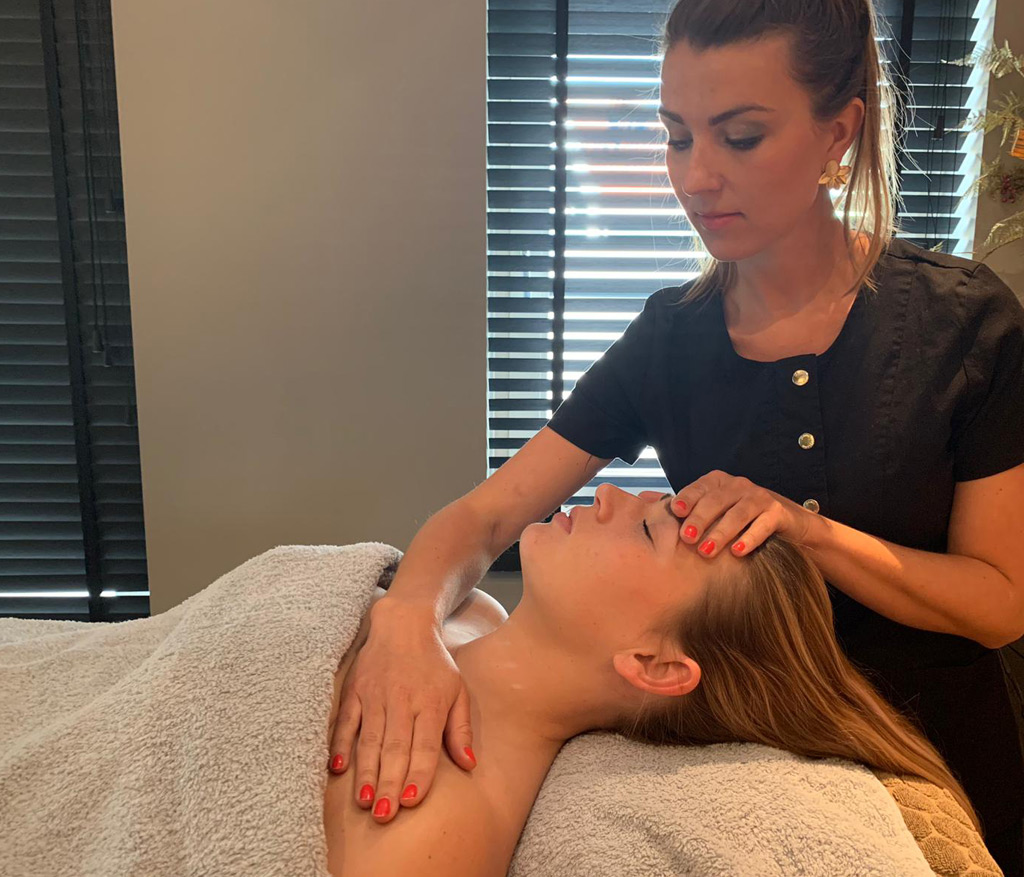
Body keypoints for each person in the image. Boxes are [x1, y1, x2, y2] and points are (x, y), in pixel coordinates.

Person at [329, 0, 1024, 873]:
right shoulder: (669, 340)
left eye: (740, 137)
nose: (695, 177)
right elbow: (487, 516)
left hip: (940, 754)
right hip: (747, 762)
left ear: (838, 133)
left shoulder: (965, 325)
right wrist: (404, 623)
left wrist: (807, 531)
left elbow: (1000, 601)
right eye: (675, 135)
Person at [324, 484, 989, 875]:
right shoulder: (469, 608)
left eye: (648, 530)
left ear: (655, 665)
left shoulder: (434, 817)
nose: (606, 494)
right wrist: (405, 619)